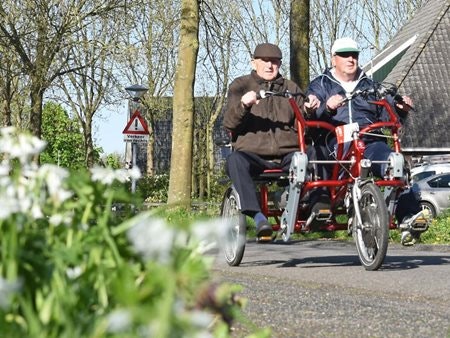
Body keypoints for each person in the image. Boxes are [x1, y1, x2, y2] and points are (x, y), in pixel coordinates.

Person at [306, 37, 423, 229]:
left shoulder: (371, 86)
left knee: (396, 162)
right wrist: (327, 107)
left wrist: (400, 108)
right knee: (318, 158)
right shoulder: (320, 85)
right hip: (335, 140)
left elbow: (387, 113)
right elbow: (311, 113)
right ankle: (321, 205)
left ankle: (408, 215)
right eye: (345, 55)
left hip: (369, 140)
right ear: (334, 59)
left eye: (354, 55)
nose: (350, 59)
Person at [223, 42, 319, 238]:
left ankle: (316, 205)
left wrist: (309, 110)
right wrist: (244, 105)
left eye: (274, 61)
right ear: (254, 62)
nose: (269, 65)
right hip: (253, 154)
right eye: (264, 61)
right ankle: (258, 217)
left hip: (287, 153)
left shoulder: (291, 87)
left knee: (313, 153)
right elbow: (229, 124)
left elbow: (304, 125)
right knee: (234, 160)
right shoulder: (240, 85)